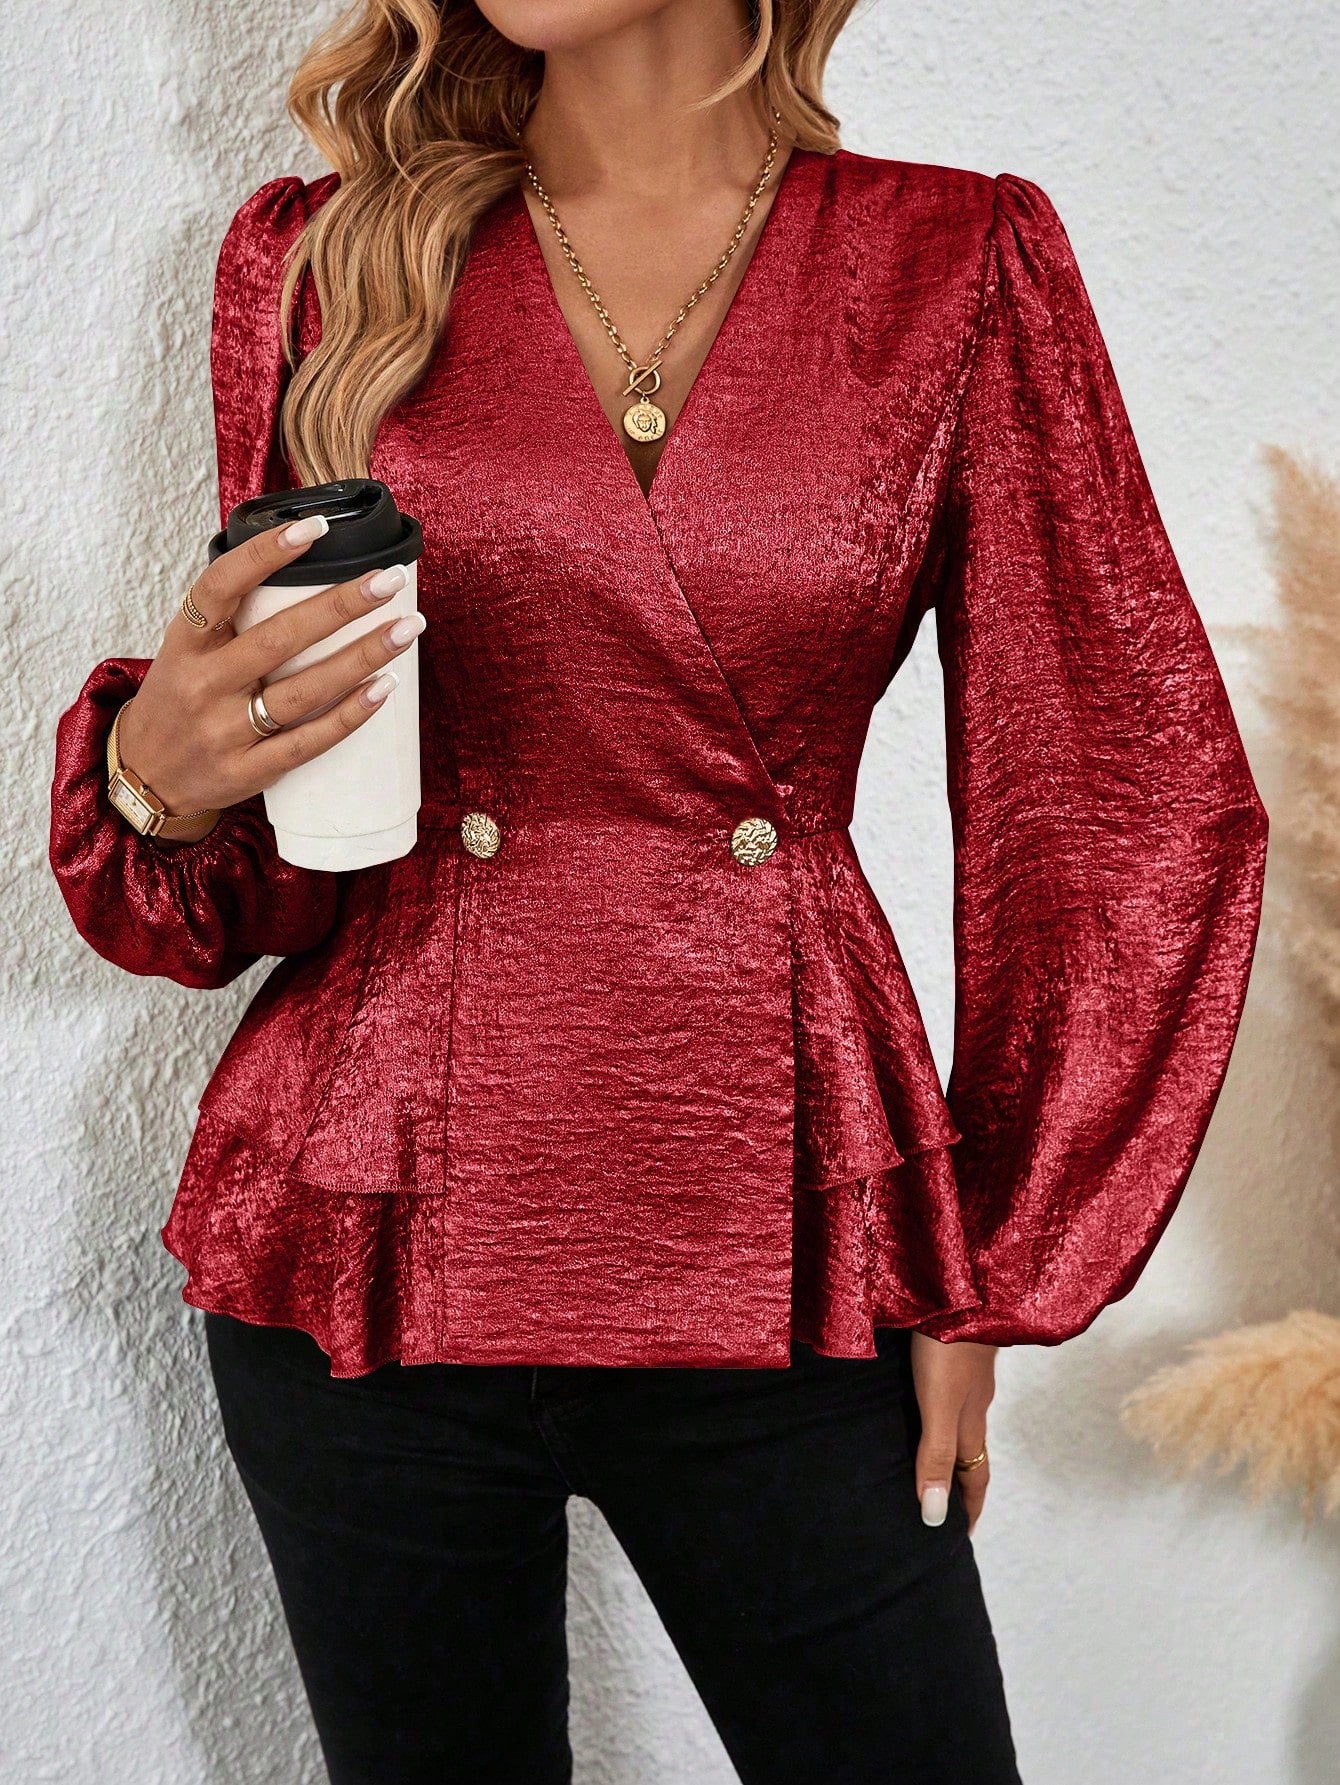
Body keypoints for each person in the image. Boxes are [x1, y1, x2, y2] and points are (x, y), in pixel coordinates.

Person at [47, 1, 1269, 1780]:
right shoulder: (323, 259)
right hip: (373, 1239)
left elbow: (1116, 798)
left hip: (790, 1240)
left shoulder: (956, 262)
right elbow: (293, 845)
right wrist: (153, 775)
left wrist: (996, 1258)